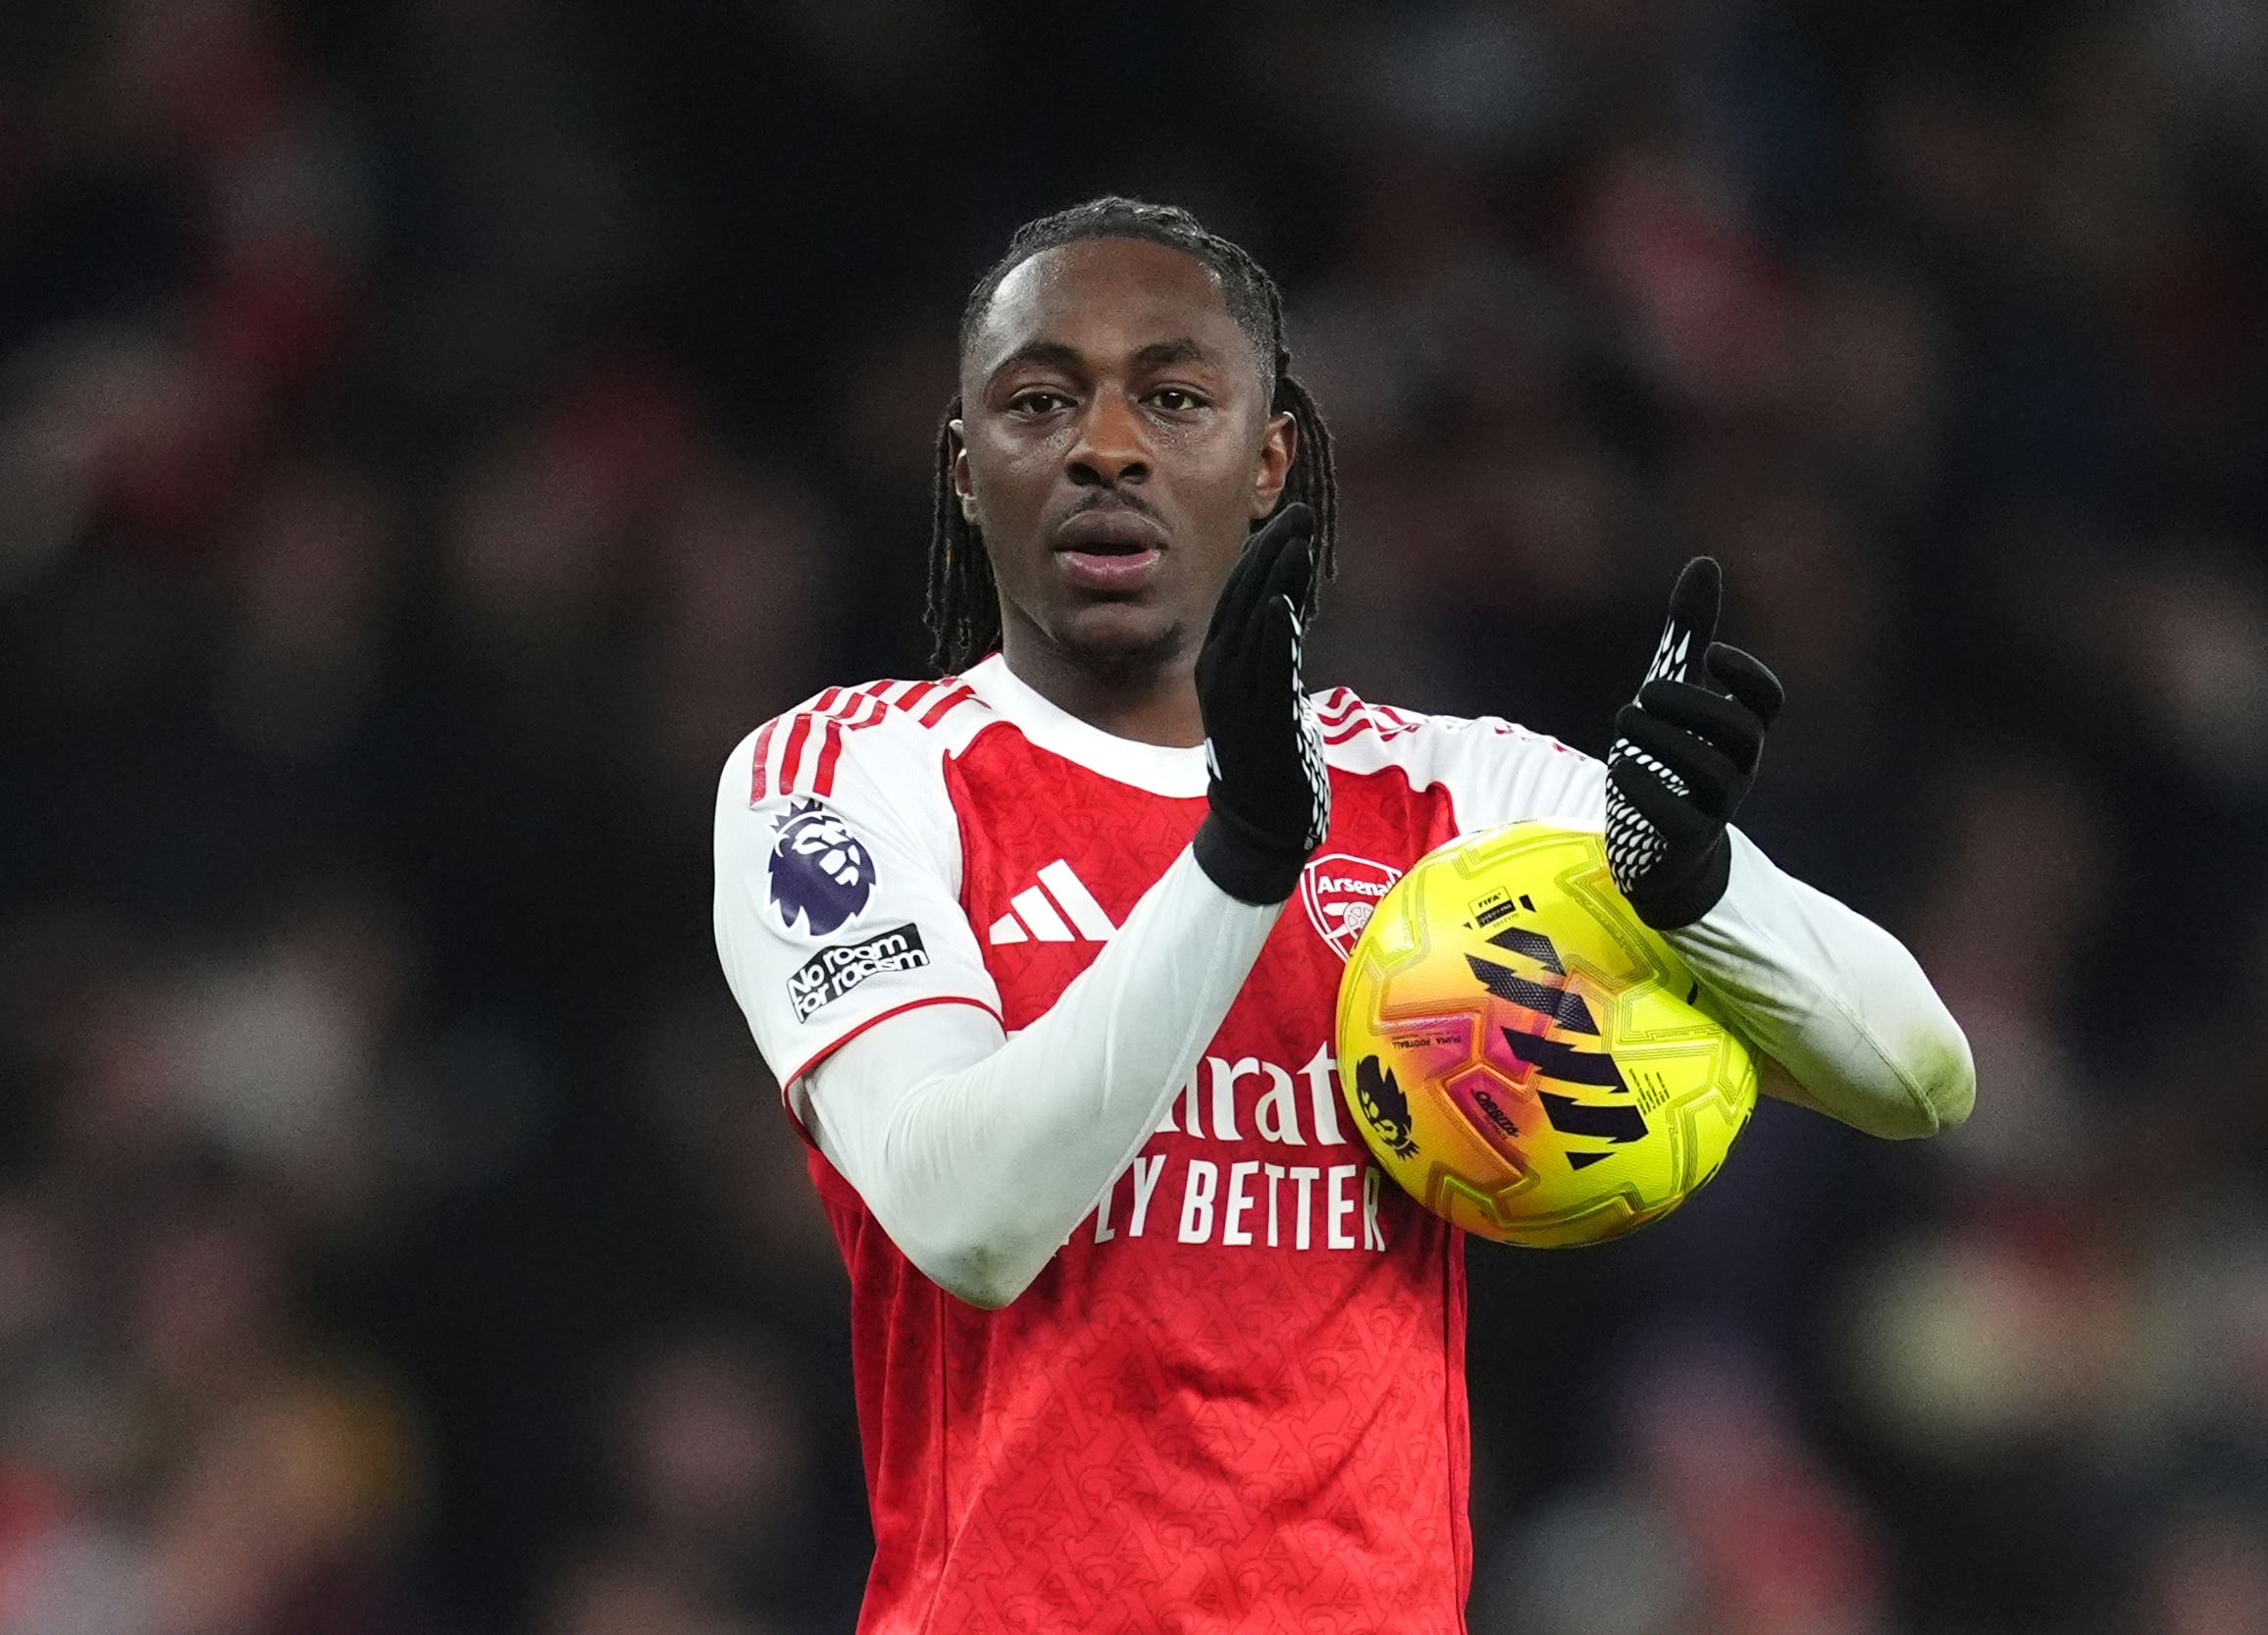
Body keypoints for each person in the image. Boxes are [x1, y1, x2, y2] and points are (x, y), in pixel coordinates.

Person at [711, 197, 1975, 1634]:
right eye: (1039, 401)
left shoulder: (1460, 795)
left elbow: (1920, 1072)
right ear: (962, 468)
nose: (1104, 447)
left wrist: (1701, 882)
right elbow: (967, 1219)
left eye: (1174, 398)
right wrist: (1244, 856)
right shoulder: (849, 778)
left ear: (1271, 462)